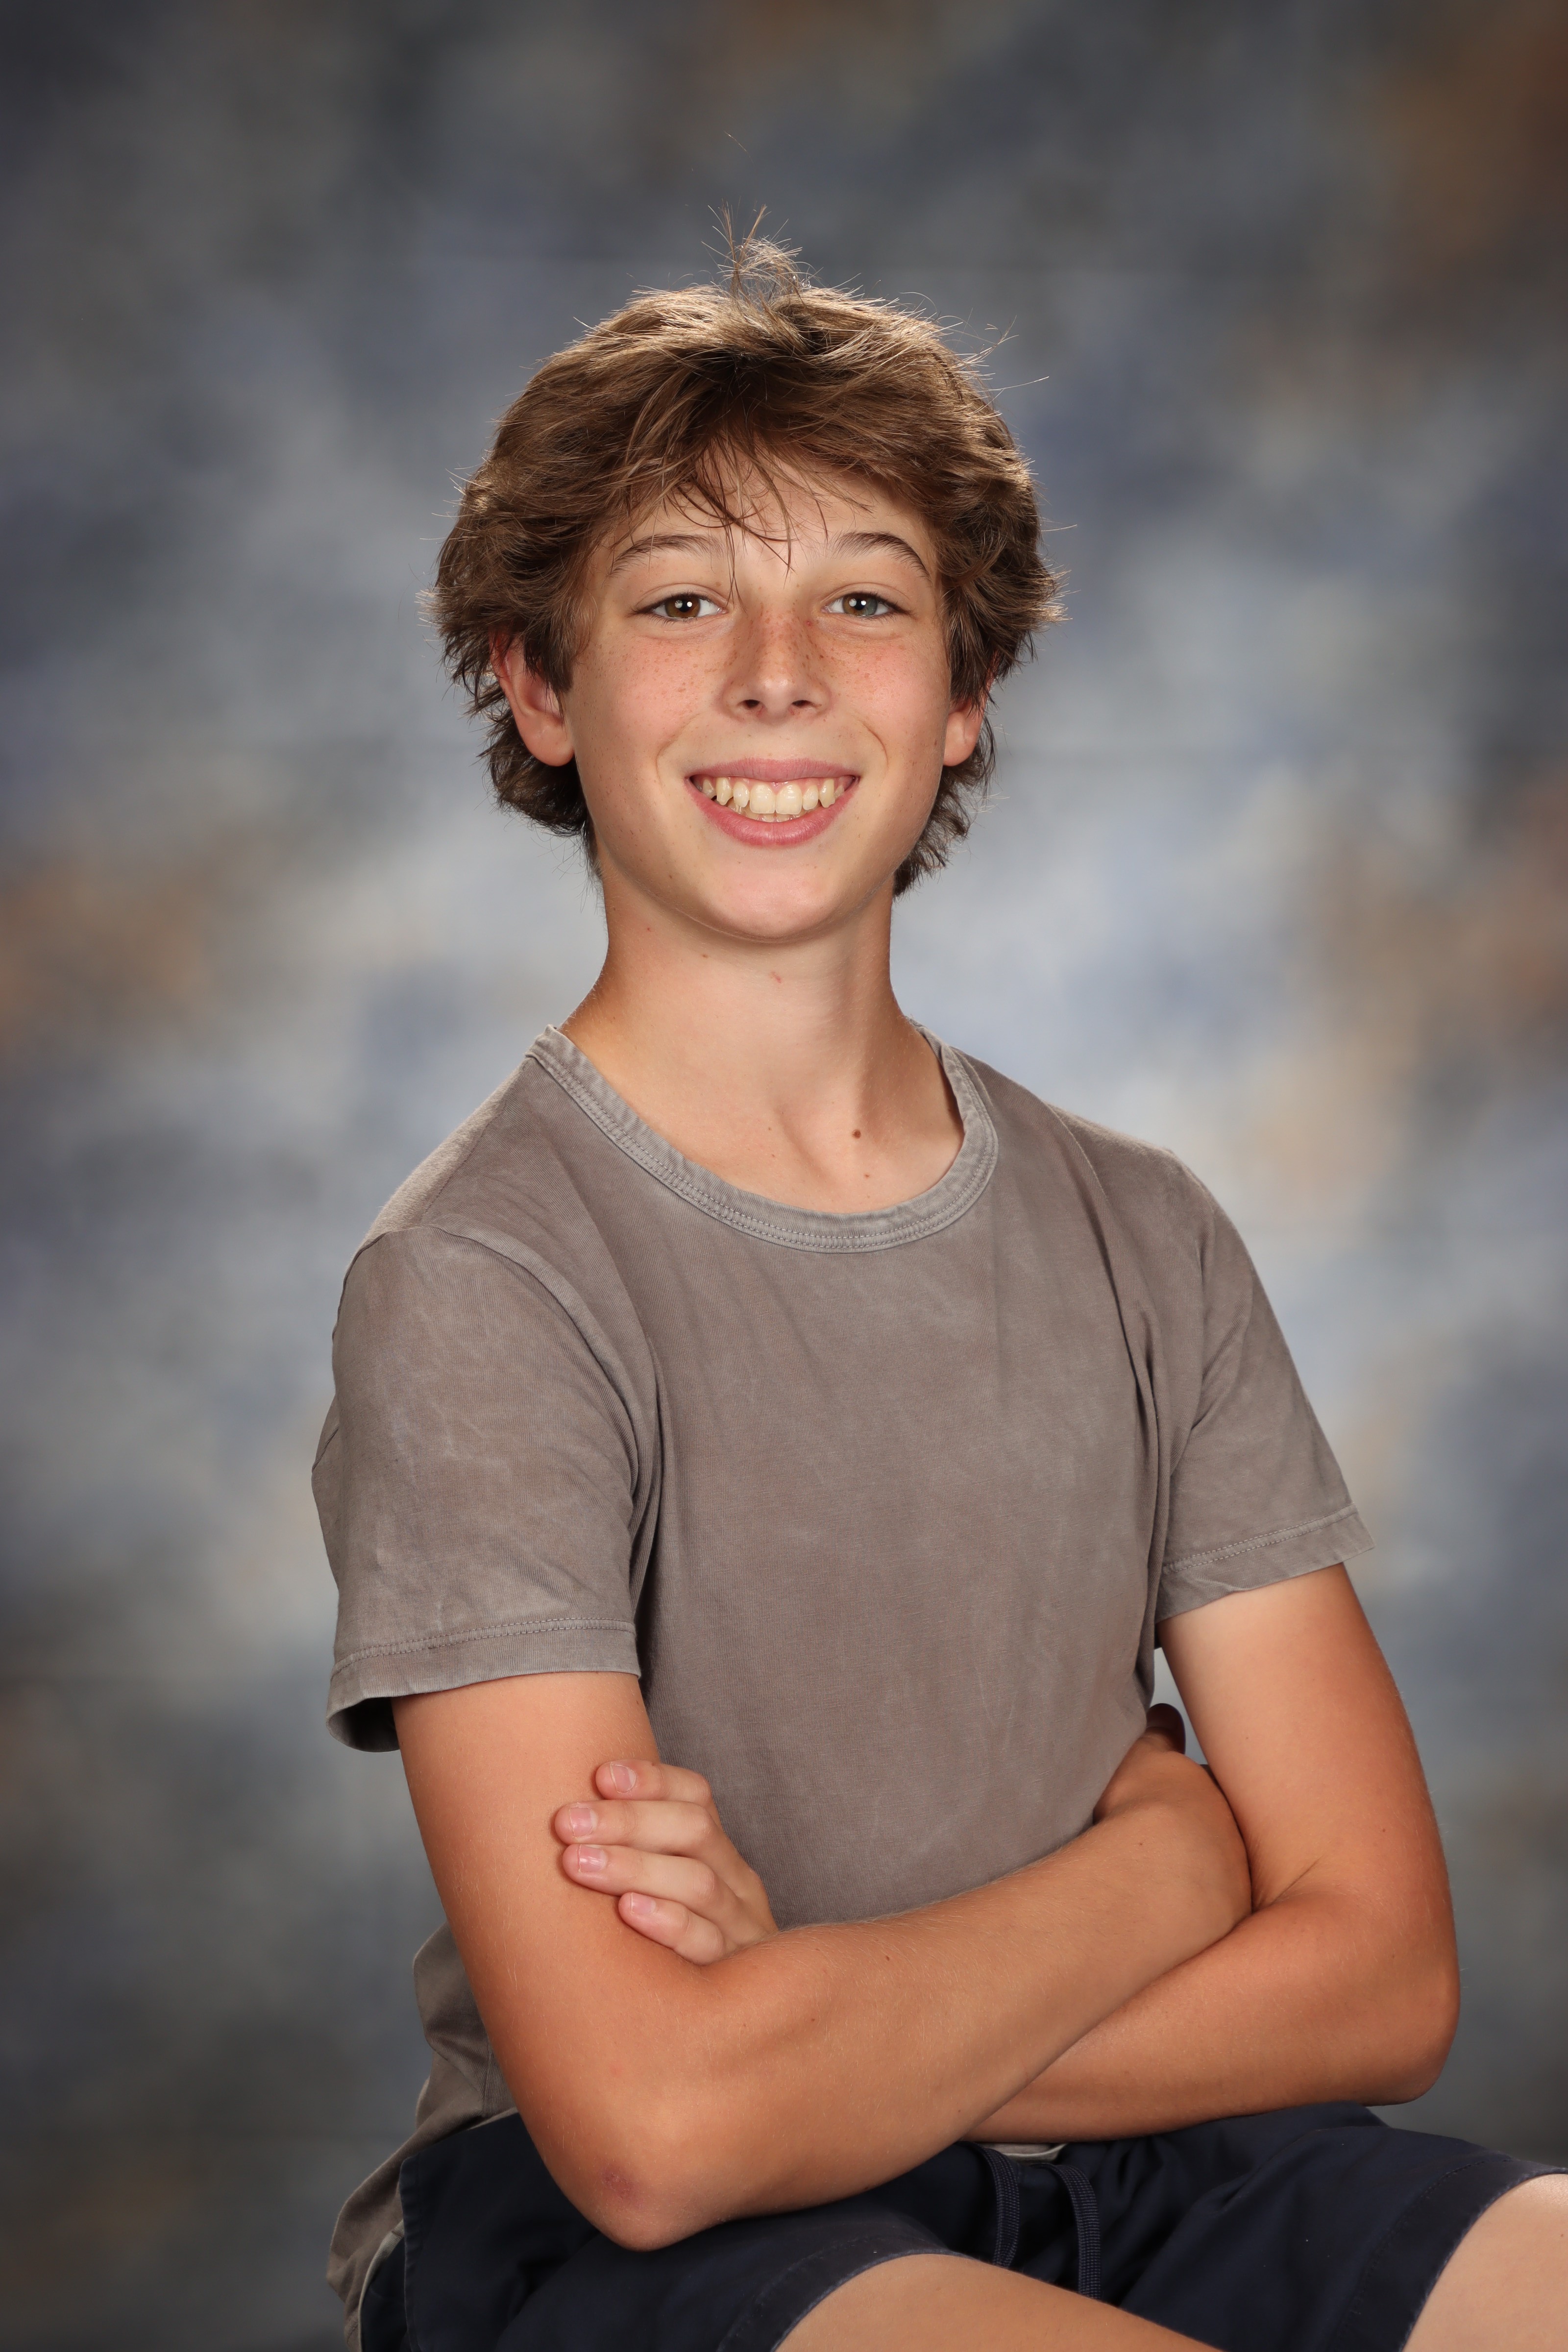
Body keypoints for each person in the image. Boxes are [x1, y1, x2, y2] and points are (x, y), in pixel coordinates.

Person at [314, 240, 1567, 2352]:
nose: (778, 673)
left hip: (1148, 2169)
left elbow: (1380, 1978)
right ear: (538, 686)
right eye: (680, 600)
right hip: (632, 2246)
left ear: (962, 691)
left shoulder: (1144, 1234)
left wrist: (808, 2019)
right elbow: (652, 2127)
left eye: (867, 602)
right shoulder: (481, 1281)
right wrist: (1169, 1868)